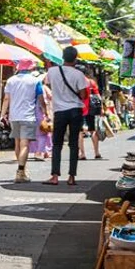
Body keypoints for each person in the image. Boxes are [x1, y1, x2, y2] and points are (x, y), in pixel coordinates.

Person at [46, 46, 88, 185]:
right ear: (75, 59)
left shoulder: (52, 71)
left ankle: (55, 176)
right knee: (73, 143)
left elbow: (48, 85)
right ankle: (71, 177)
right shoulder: (79, 75)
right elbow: (83, 95)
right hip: (75, 110)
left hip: (59, 111)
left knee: (57, 143)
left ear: (62, 57)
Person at [1, 58, 43, 182]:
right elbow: (40, 98)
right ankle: (20, 171)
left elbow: (6, 99)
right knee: (25, 144)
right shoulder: (35, 81)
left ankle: (23, 170)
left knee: (18, 144)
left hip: (14, 116)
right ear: (30, 68)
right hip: (28, 116)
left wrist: (2, 114)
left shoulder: (10, 80)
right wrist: (46, 111)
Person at [80, 72, 104, 160]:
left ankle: (82, 154)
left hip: (79, 109)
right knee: (93, 130)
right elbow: (98, 96)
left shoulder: (75, 82)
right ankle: (97, 152)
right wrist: (101, 108)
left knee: (80, 132)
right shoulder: (91, 82)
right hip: (91, 109)